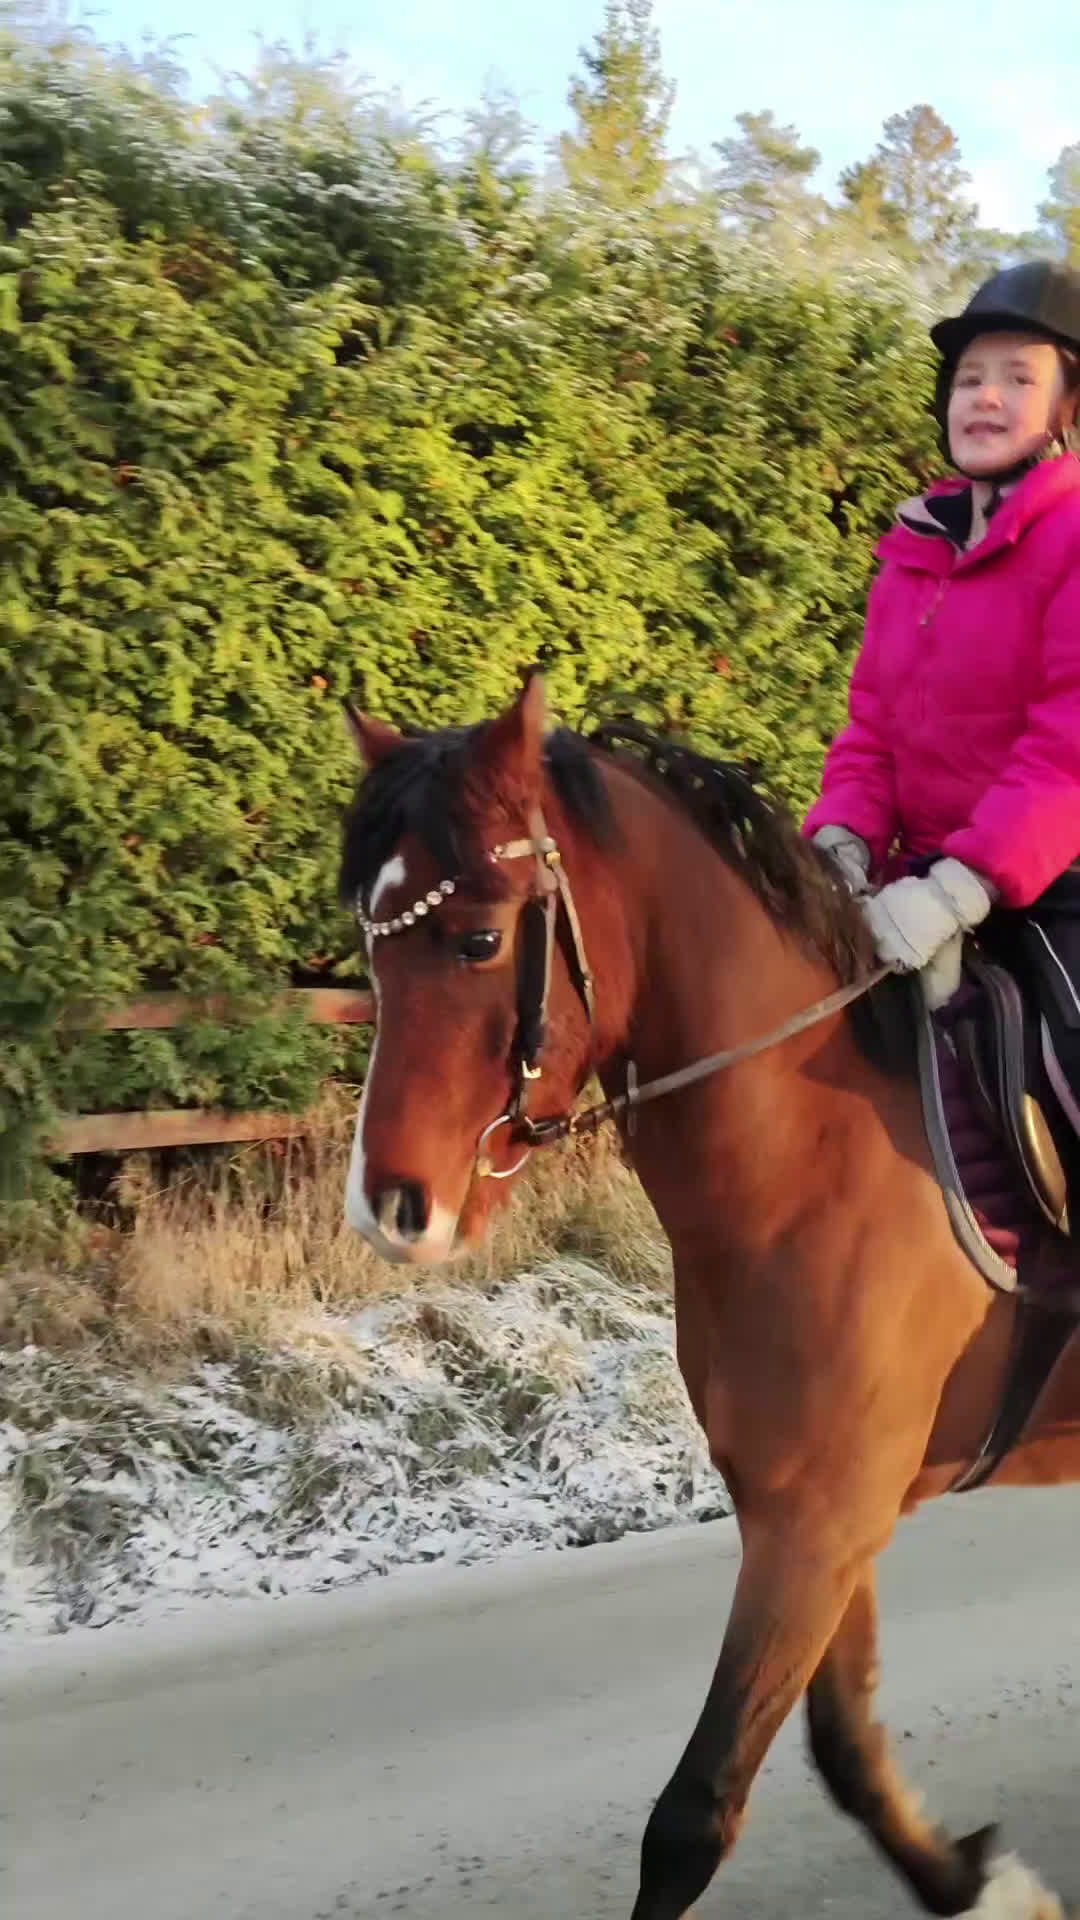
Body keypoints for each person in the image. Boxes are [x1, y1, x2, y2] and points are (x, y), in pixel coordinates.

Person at [804, 262, 1080, 1086]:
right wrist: (842, 845)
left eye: (1017, 378)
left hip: (1054, 883)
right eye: (969, 379)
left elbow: (1068, 749)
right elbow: (872, 731)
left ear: (1068, 408)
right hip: (913, 883)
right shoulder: (914, 553)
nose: (985, 397)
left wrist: (963, 886)